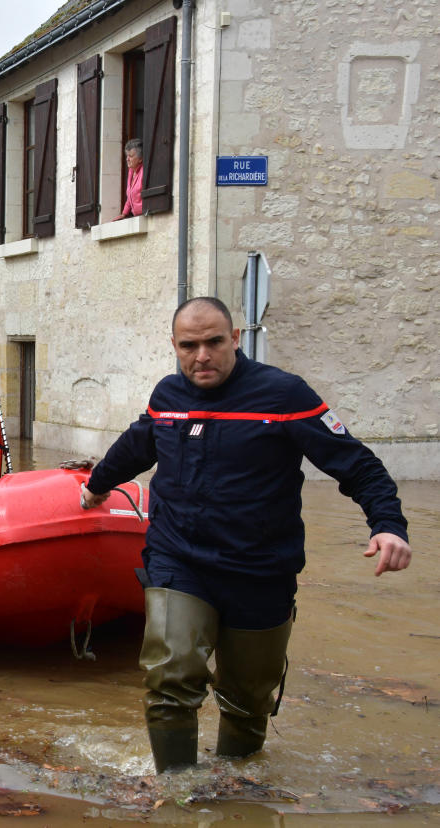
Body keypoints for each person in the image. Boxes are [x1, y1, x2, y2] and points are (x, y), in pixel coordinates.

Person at [81, 296, 411, 773]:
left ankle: (239, 792)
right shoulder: (167, 398)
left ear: (235, 339)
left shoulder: (284, 396)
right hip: (180, 561)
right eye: (189, 345)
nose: (202, 356)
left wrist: (388, 525)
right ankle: (178, 796)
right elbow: (136, 446)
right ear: (174, 346)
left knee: (247, 699)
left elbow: (356, 463)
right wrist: (95, 486)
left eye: (214, 342)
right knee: (169, 679)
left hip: (261, 569)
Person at [119, 138, 144, 219]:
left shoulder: (144, 172)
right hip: (136, 217)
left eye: (131, 156)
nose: (127, 159)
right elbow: (130, 197)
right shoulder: (131, 171)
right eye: (127, 156)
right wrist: (124, 214)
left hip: (145, 216)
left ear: (140, 159)